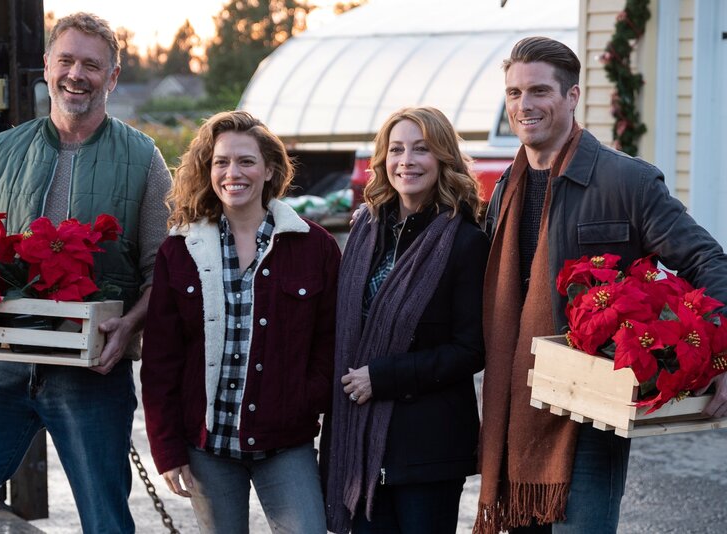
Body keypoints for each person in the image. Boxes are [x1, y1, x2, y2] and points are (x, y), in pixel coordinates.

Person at [0, 12, 172, 534]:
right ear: (46, 66)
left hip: (91, 373)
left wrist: (129, 327)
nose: (76, 75)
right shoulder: (2, 151)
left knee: (106, 524)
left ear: (112, 76)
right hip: (2, 367)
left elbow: (163, 273)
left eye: (91, 65)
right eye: (66, 60)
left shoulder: (143, 158)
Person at [474, 36, 727, 534]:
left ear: (572, 96)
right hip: (518, 411)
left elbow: (708, 261)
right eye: (514, 93)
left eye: (539, 91)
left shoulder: (626, 181)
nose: (524, 105)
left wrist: (723, 354)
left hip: (592, 414)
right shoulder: (505, 189)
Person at [140, 110, 340, 534]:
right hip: (207, 447)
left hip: (285, 443)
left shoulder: (314, 247)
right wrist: (166, 448)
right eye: (222, 162)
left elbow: (329, 343)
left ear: (269, 170)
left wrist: (303, 399)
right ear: (208, 171)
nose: (233, 173)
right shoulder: (180, 250)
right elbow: (161, 361)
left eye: (246, 161)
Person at [323, 106, 489, 534]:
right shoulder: (365, 230)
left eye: (421, 149)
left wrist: (383, 377)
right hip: (358, 444)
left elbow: (471, 350)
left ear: (443, 158)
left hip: (427, 448)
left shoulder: (466, 241)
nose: (406, 161)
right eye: (396, 149)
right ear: (383, 159)